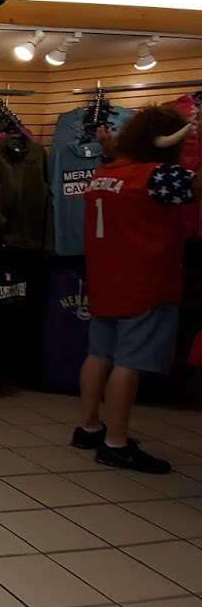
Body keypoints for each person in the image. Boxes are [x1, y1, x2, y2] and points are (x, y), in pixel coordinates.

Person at [74, 105, 202, 472]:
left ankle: (89, 426)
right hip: (145, 283)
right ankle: (116, 442)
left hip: (104, 283)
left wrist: (109, 149)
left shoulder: (104, 173)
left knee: (99, 353)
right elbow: (197, 186)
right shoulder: (158, 177)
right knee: (129, 363)